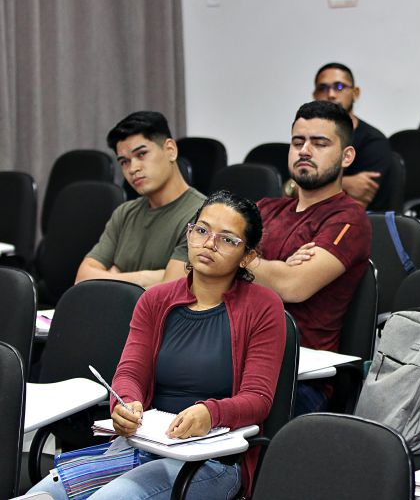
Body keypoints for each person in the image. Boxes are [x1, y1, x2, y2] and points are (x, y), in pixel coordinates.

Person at [29, 190, 286, 499]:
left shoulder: (263, 306)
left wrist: (210, 413)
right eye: (202, 230)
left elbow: (258, 399)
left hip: (211, 460)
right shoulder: (155, 299)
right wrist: (126, 403)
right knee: (41, 494)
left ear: (247, 256)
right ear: (189, 233)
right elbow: (130, 373)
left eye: (227, 239)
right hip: (141, 447)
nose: (209, 244)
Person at [253, 100, 372, 415]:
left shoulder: (348, 218)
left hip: (300, 380)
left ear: (347, 156)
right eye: (297, 142)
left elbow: (293, 286)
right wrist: (273, 269)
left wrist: (238, 259)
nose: (304, 151)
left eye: (319, 143)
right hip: (240, 357)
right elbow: (204, 265)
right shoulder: (265, 209)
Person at [75, 111, 205, 288]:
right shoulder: (124, 213)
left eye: (142, 154)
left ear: (170, 150)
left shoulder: (202, 216)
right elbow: (82, 279)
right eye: (124, 162)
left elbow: (172, 290)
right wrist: (149, 277)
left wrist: (113, 275)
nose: (133, 168)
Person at [304, 62, 392, 211]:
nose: (331, 94)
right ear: (315, 96)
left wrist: (305, 186)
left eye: (339, 87)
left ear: (355, 93)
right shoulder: (307, 139)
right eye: (323, 88)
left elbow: (353, 206)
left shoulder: (373, 142)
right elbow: (287, 192)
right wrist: (343, 183)